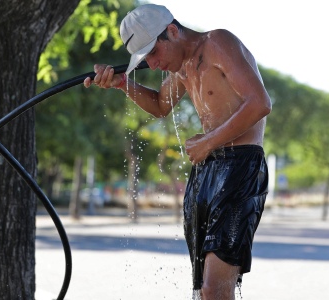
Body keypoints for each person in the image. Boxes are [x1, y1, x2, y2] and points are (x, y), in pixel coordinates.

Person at [84, 4, 271, 299]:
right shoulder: (183, 66)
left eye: (154, 53)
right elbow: (160, 105)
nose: (154, 65)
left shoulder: (218, 42)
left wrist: (209, 142)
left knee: (214, 289)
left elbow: (260, 103)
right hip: (206, 170)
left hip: (240, 167)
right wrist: (122, 83)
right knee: (200, 289)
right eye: (146, 59)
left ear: (172, 31)